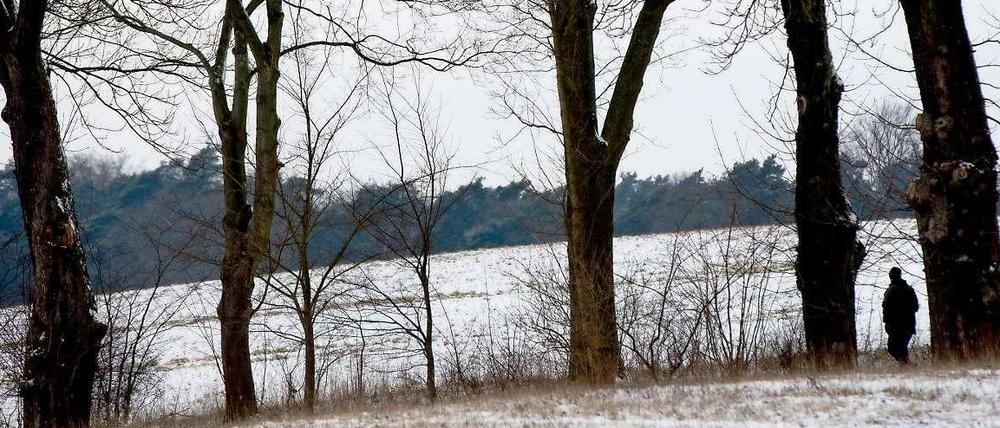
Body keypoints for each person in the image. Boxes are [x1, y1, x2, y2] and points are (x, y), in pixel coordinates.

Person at [882, 267, 919, 364]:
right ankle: (906, 366)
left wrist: (888, 323)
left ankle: (907, 365)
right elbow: (915, 307)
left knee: (893, 348)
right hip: (908, 324)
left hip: (896, 326)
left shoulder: (891, 290)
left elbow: (886, 309)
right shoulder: (909, 289)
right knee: (901, 348)